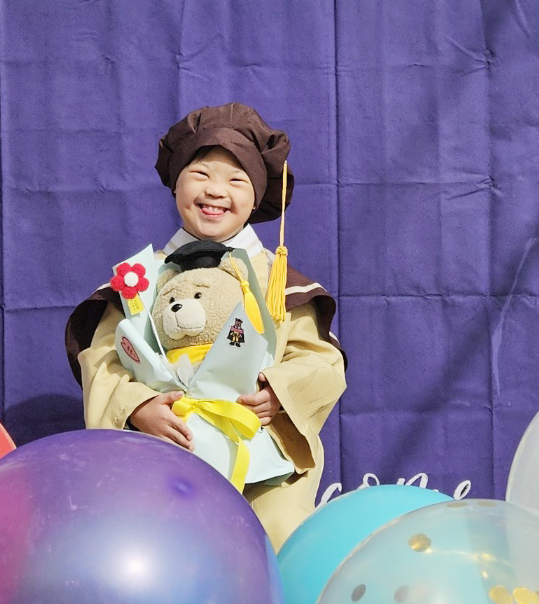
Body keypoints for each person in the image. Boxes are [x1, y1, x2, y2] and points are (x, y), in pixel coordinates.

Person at [65, 102, 347, 550]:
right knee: (156, 547)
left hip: (261, 456)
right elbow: (102, 358)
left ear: (256, 196)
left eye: (236, 180)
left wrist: (278, 394)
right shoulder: (140, 279)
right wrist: (138, 407)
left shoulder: (278, 282)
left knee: (280, 538)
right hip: (168, 449)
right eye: (200, 174)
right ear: (176, 184)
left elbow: (320, 361)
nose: (216, 190)